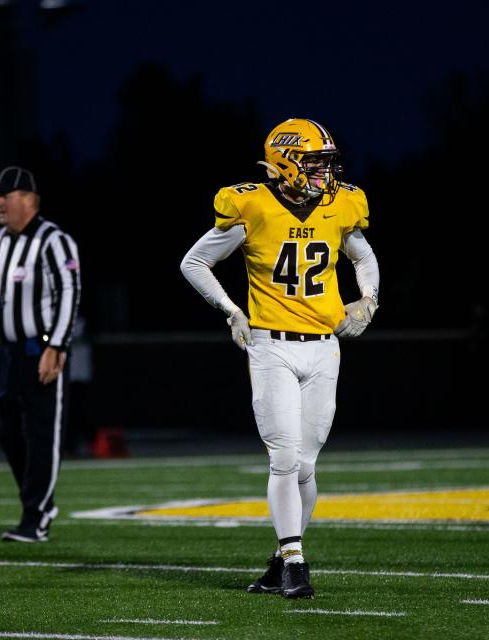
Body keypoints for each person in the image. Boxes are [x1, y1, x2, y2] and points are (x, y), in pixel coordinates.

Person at [180, 118, 380, 598]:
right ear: (286, 160)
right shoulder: (254, 204)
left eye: (327, 163)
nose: (324, 173)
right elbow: (194, 262)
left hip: (324, 348)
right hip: (272, 345)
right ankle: (294, 561)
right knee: (284, 457)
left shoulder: (338, 205)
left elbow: (364, 257)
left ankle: (278, 561)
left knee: (307, 466)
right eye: (315, 162)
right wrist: (231, 311)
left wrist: (368, 299)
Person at [0, 166, 80, 542]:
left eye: (5, 195)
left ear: (28, 200)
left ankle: (37, 514)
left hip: (37, 349)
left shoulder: (53, 240)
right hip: (2, 352)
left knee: (40, 433)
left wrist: (57, 345)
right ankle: (36, 504)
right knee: (5, 429)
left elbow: (69, 292)